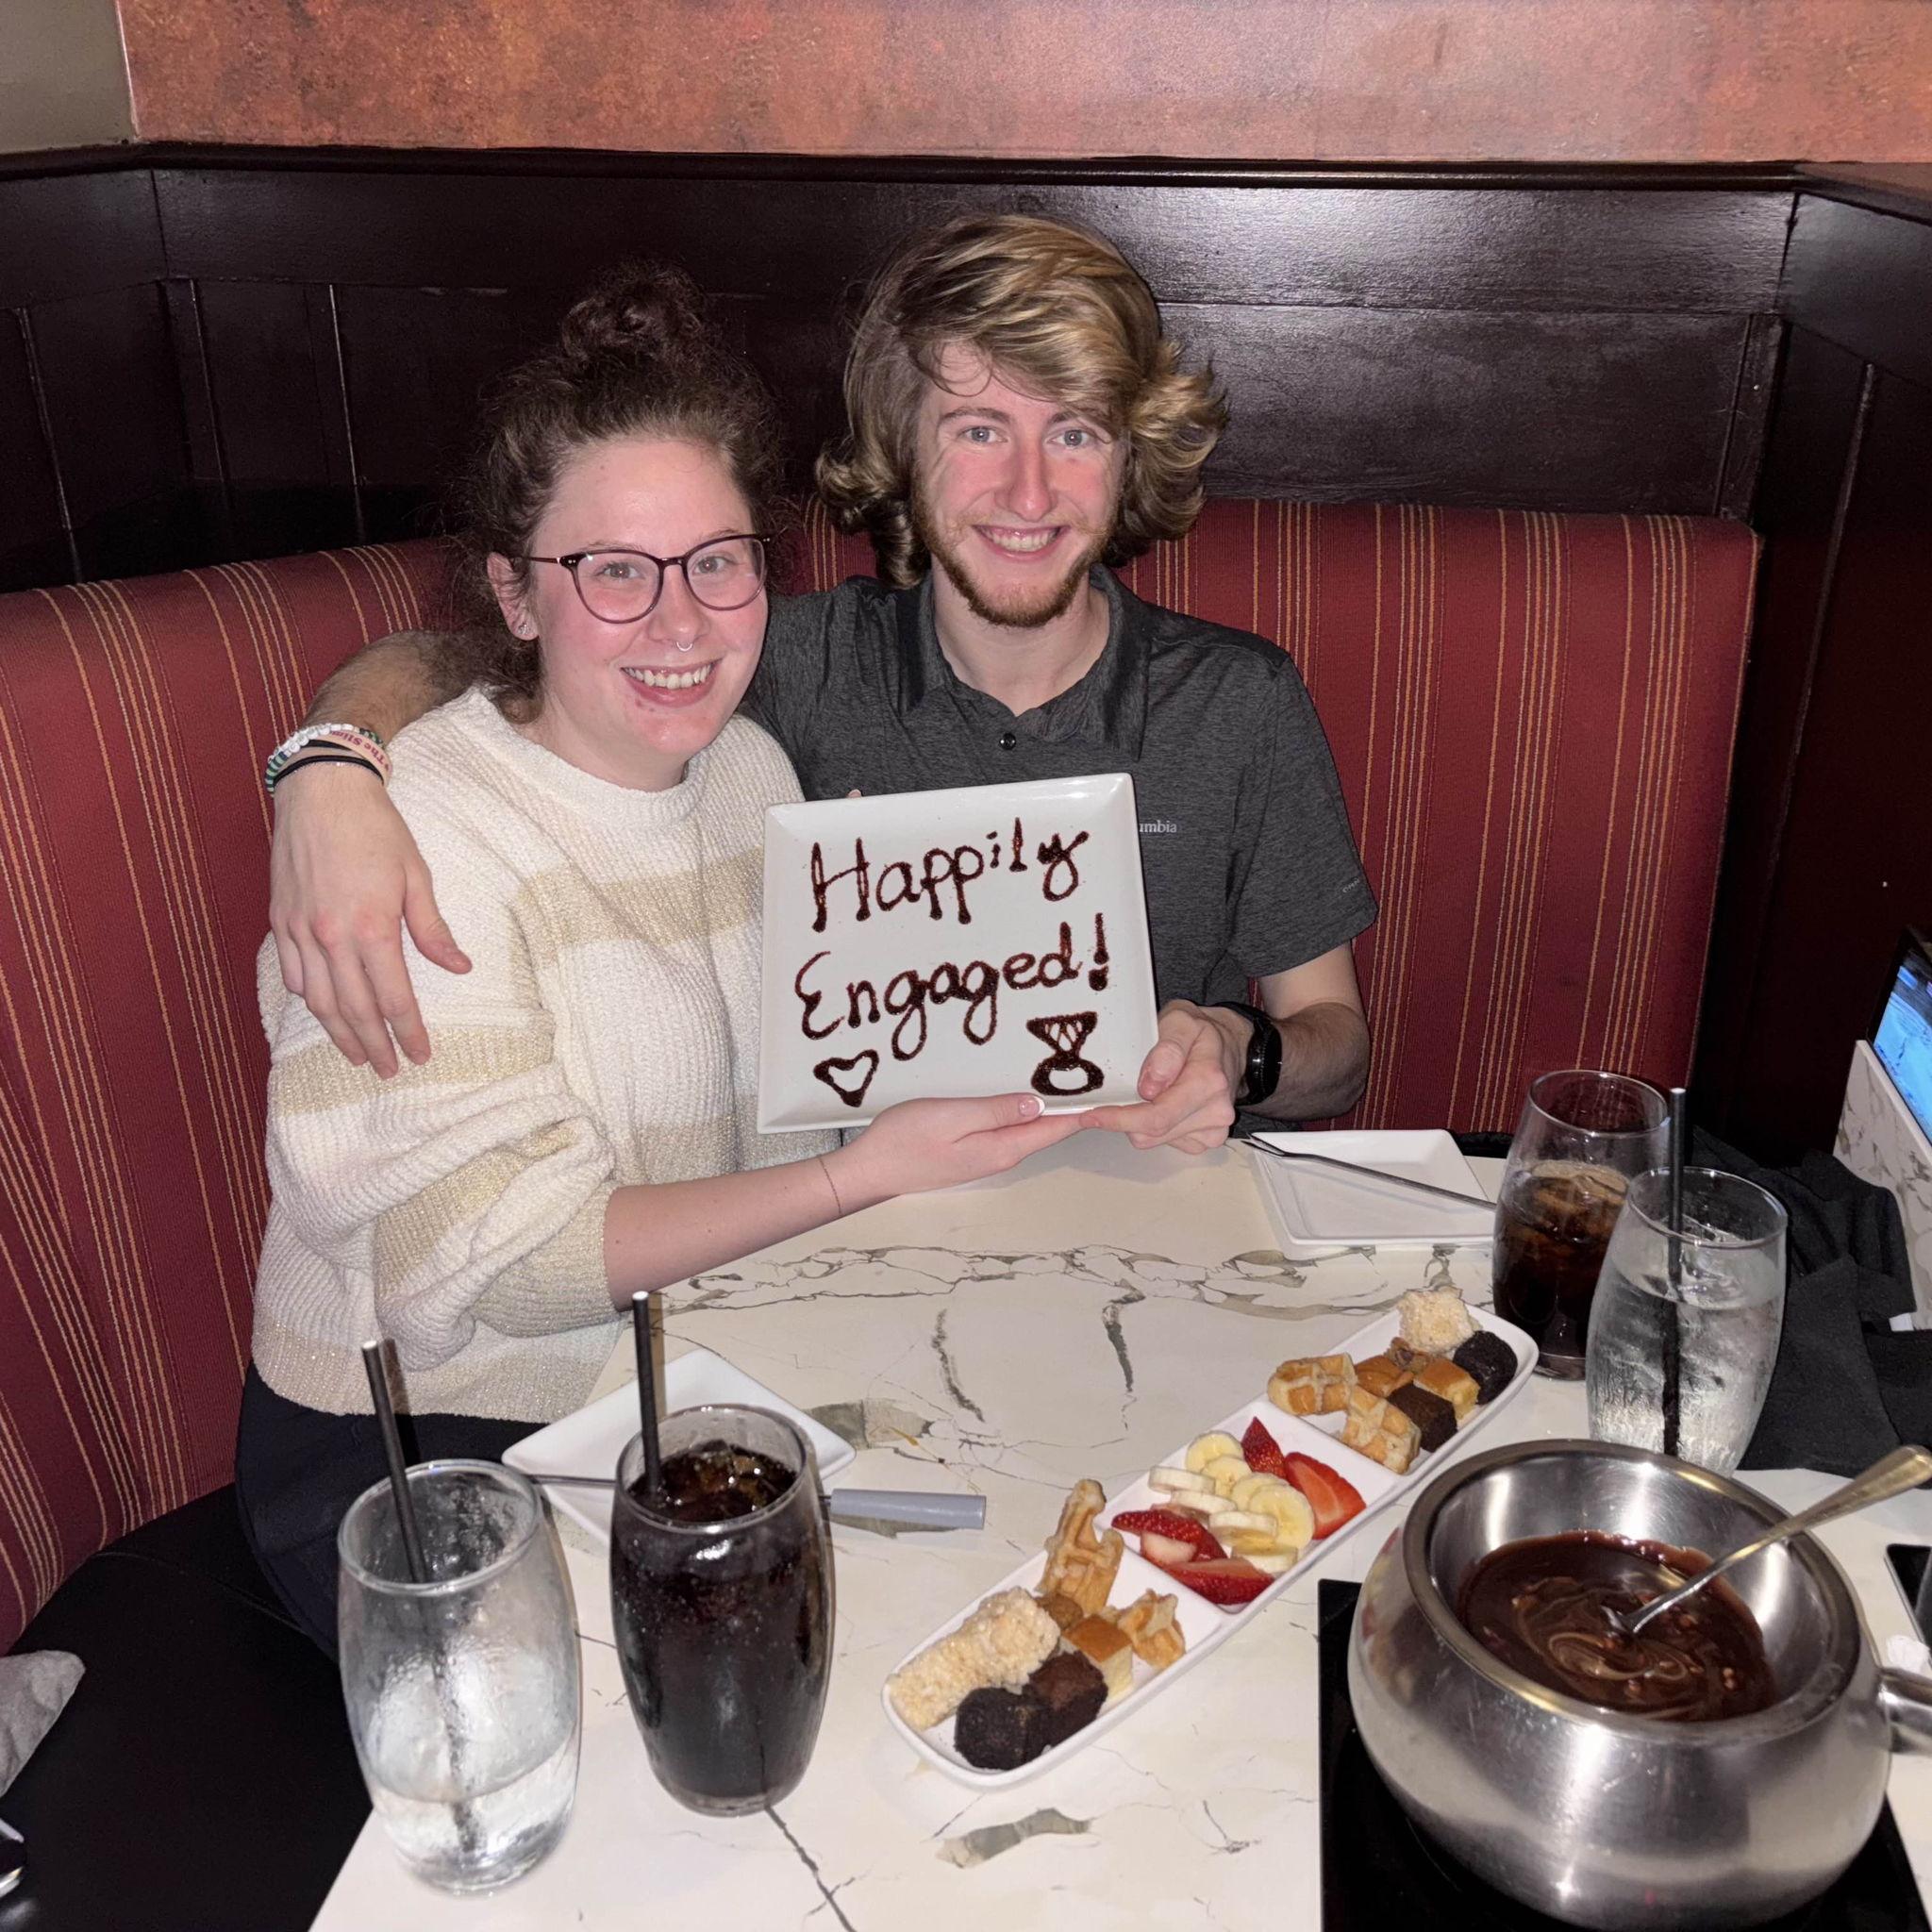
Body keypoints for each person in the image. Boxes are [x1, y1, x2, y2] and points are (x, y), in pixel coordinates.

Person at [237, 266, 1087, 1652]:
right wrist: (861, 1173)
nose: (682, 620)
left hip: (677, 1386)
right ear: (516, 595)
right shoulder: (419, 833)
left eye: (718, 560)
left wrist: (1013, 1014)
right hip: (429, 1459)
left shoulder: (747, 771)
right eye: (614, 572)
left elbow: (812, 1088)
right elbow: (506, 1263)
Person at [268, 214, 1377, 1155]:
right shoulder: (782, 665)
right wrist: (327, 765)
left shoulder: (1238, 701)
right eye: (977, 428)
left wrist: (1243, 1048)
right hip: (855, 1252)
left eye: (1074, 432)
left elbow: (1335, 1043)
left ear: (1129, 457)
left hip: (1155, 1221)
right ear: (901, 445)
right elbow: (480, 659)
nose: (1027, 489)